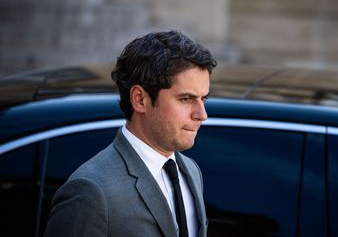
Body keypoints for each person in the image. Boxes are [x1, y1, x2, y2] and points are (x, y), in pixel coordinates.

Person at [44, 30, 217, 237]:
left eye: (203, 99)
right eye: (186, 99)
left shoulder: (190, 170)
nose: (202, 114)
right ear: (140, 99)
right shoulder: (91, 190)